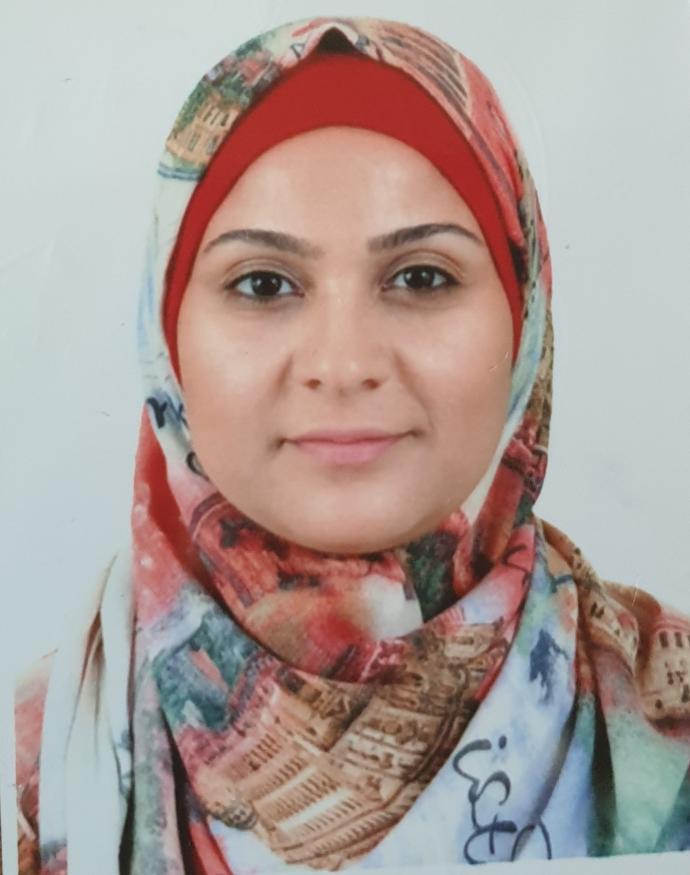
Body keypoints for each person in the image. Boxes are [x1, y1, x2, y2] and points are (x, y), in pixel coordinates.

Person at [13, 13, 690, 874]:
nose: (343, 363)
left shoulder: (668, 721)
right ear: (168, 340)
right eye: (263, 284)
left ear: (525, 323)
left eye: (422, 277)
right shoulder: (32, 771)